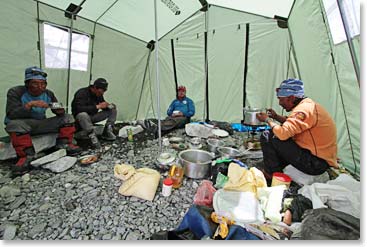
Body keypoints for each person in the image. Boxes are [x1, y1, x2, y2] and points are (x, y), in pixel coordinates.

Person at [4, 66, 82, 174]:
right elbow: (11, 114)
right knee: (13, 124)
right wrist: (29, 105)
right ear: (27, 84)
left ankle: (64, 144)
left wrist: (59, 110)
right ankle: (26, 156)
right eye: (35, 83)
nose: (40, 87)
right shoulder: (16, 92)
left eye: (43, 84)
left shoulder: (48, 93)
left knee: (68, 117)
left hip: (41, 123)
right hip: (24, 124)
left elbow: (59, 112)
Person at [255, 78, 338, 179]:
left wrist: (267, 119)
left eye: (281, 99)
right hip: (317, 159)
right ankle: (277, 167)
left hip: (315, 164)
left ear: (291, 98)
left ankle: (272, 174)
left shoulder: (304, 110)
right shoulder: (308, 105)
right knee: (278, 137)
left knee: (268, 135)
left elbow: (283, 133)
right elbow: (293, 125)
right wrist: (276, 117)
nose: (280, 103)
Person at [71, 78, 117, 149]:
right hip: (80, 119)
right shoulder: (82, 93)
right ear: (95, 87)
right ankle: (91, 136)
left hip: (92, 117)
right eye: (101, 91)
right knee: (83, 115)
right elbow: (78, 109)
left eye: (104, 91)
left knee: (113, 109)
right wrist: (97, 106)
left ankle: (107, 131)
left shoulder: (99, 94)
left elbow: (102, 105)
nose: (102, 93)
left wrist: (108, 106)